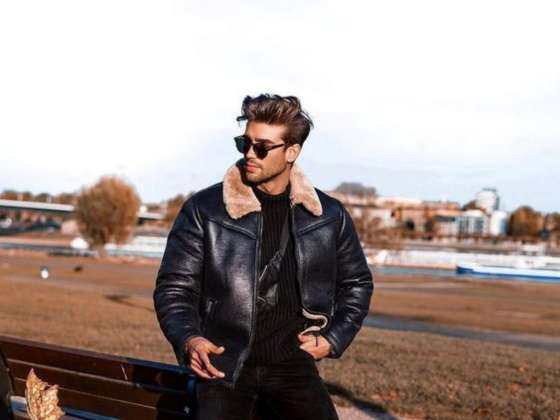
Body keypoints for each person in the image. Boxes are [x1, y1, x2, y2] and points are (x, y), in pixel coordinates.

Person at [153, 94, 374, 420]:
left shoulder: (327, 216)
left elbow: (357, 283)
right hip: (223, 365)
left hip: (293, 365)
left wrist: (333, 338)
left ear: (291, 152)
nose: (249, 154)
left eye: (262, 148)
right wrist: (190, 338)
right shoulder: (205, 210)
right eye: (244, 143)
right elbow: (174, 288)